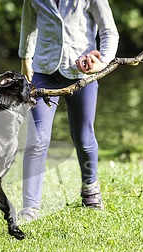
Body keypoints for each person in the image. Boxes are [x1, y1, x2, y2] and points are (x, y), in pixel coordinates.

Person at [18, 0, 119, 221]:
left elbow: (109, 31)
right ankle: (30, 206)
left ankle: (90, 189)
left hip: (83, 75)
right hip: (44, 73)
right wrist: (26, 57)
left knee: (83, 137)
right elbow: (28, 24)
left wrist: (101, 63)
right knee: (37, 139)